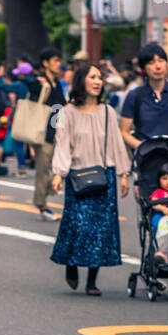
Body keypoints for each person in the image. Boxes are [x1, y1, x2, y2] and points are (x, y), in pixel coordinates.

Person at [48, 63, 129, 295]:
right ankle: (71, 263)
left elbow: (116, 143)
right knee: (78, 225)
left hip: (105, 177)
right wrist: (58, 173)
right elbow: (62, 143)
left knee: (101, 230)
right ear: (82, 80)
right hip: (78, 177)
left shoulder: (108, 112)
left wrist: (124, 174)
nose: (97, 82)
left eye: (100, 78)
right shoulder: (67, 112)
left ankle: (92, 281)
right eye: (93, 77)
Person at [119, 43, 168, 152]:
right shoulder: (134, 95)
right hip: (145, 160)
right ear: (143, 67)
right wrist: (144, 148)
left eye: (161, 61)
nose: (158, 66)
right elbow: (124, 131)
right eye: (151, 62)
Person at [27, 47, 68, 221]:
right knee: (43, 170)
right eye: (55, 61)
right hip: (42, 133)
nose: (59, 64)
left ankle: (47, 193)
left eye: (59, 60)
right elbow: (33, 107)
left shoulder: (58, 84)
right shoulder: (37, 83)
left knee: (63, 167)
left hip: (57, 131)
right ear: (45, 63)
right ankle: (42, 204)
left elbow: (62, 105)